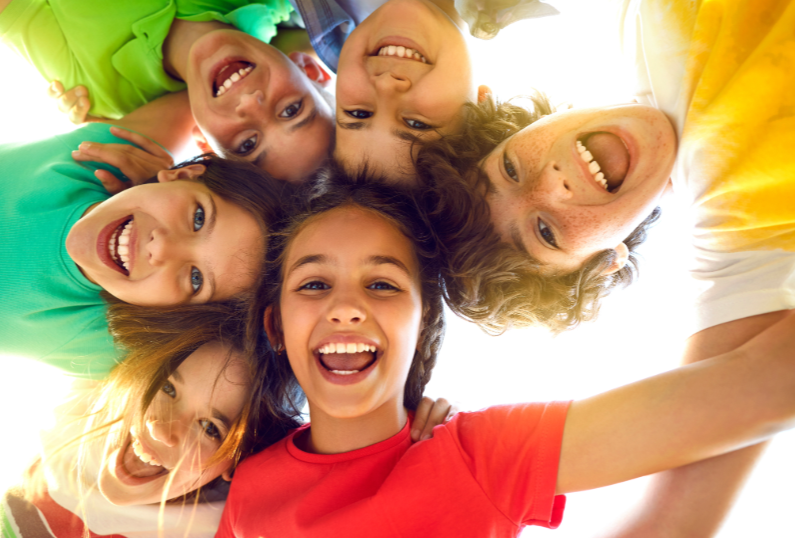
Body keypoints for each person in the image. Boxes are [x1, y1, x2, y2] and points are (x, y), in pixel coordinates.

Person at [215, 176, 795, 537]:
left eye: (384, 285)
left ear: (423, 328)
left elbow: (763, 384)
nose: (345, 308)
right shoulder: (251, 484)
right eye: (314, 285)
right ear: (274, 324)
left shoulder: (480, 454)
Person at [415, 0, 795, 534]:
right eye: (545, 232)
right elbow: (674, 519)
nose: (553, 184)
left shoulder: (629, 19)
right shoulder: (739, 231)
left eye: (511, 166)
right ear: (606, 262)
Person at [0, 93, 294, 377]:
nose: (161, 248)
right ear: (182, 175)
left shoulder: (106, 346)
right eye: (198, 218)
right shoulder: (110, 154)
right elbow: (198, 99)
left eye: (195, 279)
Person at [0, 0, 334, 182]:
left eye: (247, 144)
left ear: (205, 145)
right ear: (310, 69)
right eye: (291, 109)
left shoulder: (95, 91)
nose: (250, 103)